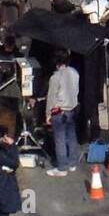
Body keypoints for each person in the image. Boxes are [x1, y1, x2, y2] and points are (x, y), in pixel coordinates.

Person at [44, 48, 81, 176]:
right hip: (72, 108)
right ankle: (72, 163)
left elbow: (51, 97)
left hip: (59, 111)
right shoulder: (75, 73)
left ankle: (62, 167)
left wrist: (48, 115)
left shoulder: (55, 77)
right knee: (71, 137)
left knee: (59, 139)